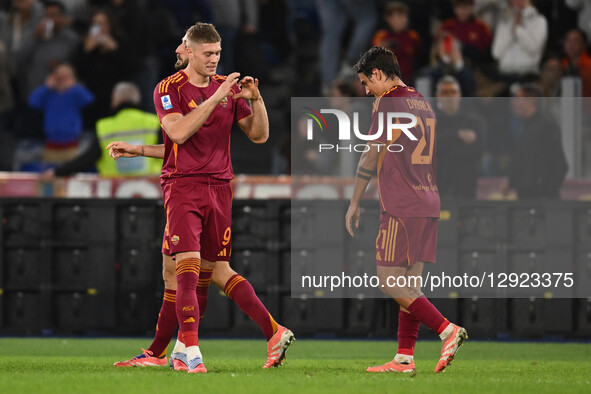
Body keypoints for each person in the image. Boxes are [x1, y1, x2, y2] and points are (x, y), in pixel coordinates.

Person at [109, 23, 294, 373]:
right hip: (184, 186)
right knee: (179, 269)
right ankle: (172, 351)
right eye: (208, 53)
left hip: (219, 188)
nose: (214, 60)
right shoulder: (168, 89)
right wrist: (141, 148)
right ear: (190, 52)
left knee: (202, 271)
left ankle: (185, 351)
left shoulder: (225, 88)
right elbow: (179, 132)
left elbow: (259, 135)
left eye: (218, 54)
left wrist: (255, 99)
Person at [345, 46, 467, 375]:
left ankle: (446, 330)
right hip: (428, 200)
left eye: (366, 82)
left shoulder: (389, 102)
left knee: (389, 281)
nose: (366, 90)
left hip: (402, 203)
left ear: (379, 74)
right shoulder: (421, 101)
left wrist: (355, 200)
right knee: (410, 285)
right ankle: (404, 358)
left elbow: (372, 154)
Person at [41, 81, 161, 178]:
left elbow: (87, 159)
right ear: (137, 99)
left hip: (115, 195)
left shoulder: (104, 127)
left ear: (115, 99)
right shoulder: (154, 122)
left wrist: (58, 172)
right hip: (151, 191)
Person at [503, 84, 568, 199]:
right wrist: (511, 181)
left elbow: (559, 164)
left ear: (530, 101)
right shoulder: (525, 127)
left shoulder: (546, 126)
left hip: (541, 196)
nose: (513, 103)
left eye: (518, 99)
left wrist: (547, 191)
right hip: (525, 195)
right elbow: (522, 159)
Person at [28, 62, 94, 166]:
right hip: (51, 143)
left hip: (71, 143)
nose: (62, 79)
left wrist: (74, 86)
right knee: (50, 173)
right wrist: (46, 87)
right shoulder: (49, 93)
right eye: (59, 76)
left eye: (65, 76)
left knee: (71, 172)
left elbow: (89, 99)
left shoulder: (75, 93)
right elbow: (33, 102)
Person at [435, 75, 484, 199]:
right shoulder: (430, 121)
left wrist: (445, 146)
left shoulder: (473, 122)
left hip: (465, 183)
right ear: (438, 96)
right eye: (445, 92)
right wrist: (458, 136)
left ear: (459, 95)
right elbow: (429, 148)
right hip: (438, 183)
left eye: (453, 92)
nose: (449, 96)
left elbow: (477, 152)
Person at [491, 0, 547, 81]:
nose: (518, 1)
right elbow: (496, 53)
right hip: (504, 74)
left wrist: (519, 28)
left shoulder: (540, 21)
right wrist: (512, 30)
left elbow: (534, 49)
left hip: (528, 74)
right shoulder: (504, 22)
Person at [371, 1, 422, 84]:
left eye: (405, 16)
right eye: (399, 16)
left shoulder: (413, 36)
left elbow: (420, 58)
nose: (404, 20)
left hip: (409, 82)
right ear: (389, 19)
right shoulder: (381, 36)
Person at [438, 0, 492, 64]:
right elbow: (437, 49)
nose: (462, 11)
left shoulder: (481, 27)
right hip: (450, 64)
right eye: (459, 7)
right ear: (454, 8)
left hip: (475, 66)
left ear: (472, 7)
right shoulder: (446, 27)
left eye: (465, 7)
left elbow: (486, 53)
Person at [562, 28, 591, 98]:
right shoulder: (563, 63)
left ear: (584, 45)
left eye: (576, 41)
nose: (571, 44)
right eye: (568, 40)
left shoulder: (589, 65)